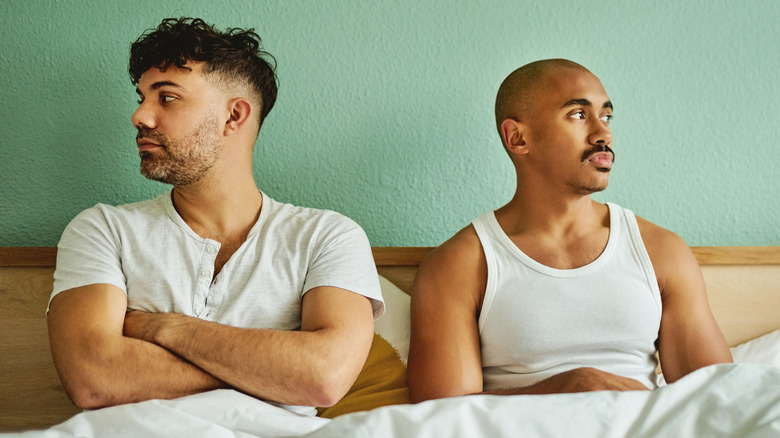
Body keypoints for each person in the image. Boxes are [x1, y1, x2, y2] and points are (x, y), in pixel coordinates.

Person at [47, 17, 383, 416]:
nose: (140, 116)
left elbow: (323, 378)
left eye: (166, 97)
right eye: (140, 98)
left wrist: (162, 328)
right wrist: (276, 375)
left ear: (234, 116)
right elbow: (94, 381)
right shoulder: (103, 230)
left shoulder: (327, 237)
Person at [407, 58, 732, 402]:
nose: (603, 133)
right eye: (579, 114)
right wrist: (570, 386)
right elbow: (443, 416)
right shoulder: (460, 264)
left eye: (606, 116)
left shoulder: (660, 251)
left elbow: (721, 397)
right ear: (517, 138)